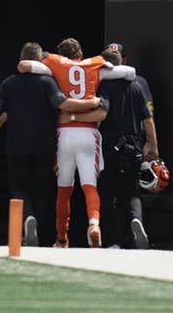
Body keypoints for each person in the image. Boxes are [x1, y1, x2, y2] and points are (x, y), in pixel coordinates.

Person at [0, 42, 103, 247]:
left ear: (21, 61)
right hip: (46, 145)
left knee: (18, 188)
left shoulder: (10, 83)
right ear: (41, 61)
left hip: (17, 144)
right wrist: (94, 102)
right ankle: (39, 231)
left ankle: (28, 219)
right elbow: (63, 104)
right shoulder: (48, 82)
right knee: (42, 189)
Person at [17, 38, 136, 248]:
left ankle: (62, 237)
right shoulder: (93, 65)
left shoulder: (54, 64)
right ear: (80, 55)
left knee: (64, 189)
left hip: (65, 134)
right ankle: (94, 225)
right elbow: (129, 72)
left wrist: (47, 67)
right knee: (90, 186)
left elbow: (25, 65)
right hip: (88, 133)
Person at [60, 45, 158, 249]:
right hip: (134, 145)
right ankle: (135, 221)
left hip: (110, 146)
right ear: (123, 61)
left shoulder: (103, 86)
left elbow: (101, 114)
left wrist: (72, 117)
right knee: (132, 192)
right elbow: (148, 120)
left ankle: (113, 240)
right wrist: (153, 145)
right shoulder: (138, 84)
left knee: (108, 193)